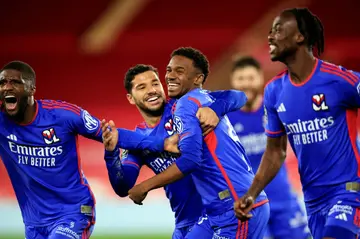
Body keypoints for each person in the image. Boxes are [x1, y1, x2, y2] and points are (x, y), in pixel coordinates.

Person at [0, 61, 178, 239]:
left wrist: (161, 144)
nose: (7, 87)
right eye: (2, 83)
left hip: (73, 213)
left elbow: (110, 134)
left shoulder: (62, 115)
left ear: (31, 89)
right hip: (33, 222)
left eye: (15, 82)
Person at [234, 8, 360, 239]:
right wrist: (252, 193)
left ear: (300, 36)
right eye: (270, 31)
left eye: (278, 30)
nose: (270, 36)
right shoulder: (274, 91)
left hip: (348, 191)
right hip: (313, 200)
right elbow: (275, 152)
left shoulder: (339, 81)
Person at [124, 47, 270, 238]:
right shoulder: (204, 98)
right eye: (169, 70)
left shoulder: (186, 105)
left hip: (236, 206)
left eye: (180, 71)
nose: (170, 76)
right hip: (221, 209)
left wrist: (144, 187)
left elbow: (190, 160)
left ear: (198, 79)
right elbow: (238, 96)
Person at [102, 63, 249, 239]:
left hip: (216, 214)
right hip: (184, 224)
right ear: (131, 98)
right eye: (142, 87)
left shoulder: (184, 107)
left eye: (155, 83)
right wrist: (111, 154)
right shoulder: (138, 140)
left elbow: (237, 96)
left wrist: (214, 110)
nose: (152, 90)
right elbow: (123, 187)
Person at [227, 56, 310, 239]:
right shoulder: (223, 119)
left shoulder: (277, 108)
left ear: (260, 78)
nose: (246, 84)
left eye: (251, 78)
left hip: (282, 197)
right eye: (241, 79)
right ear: (232, 81)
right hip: (245, 202)